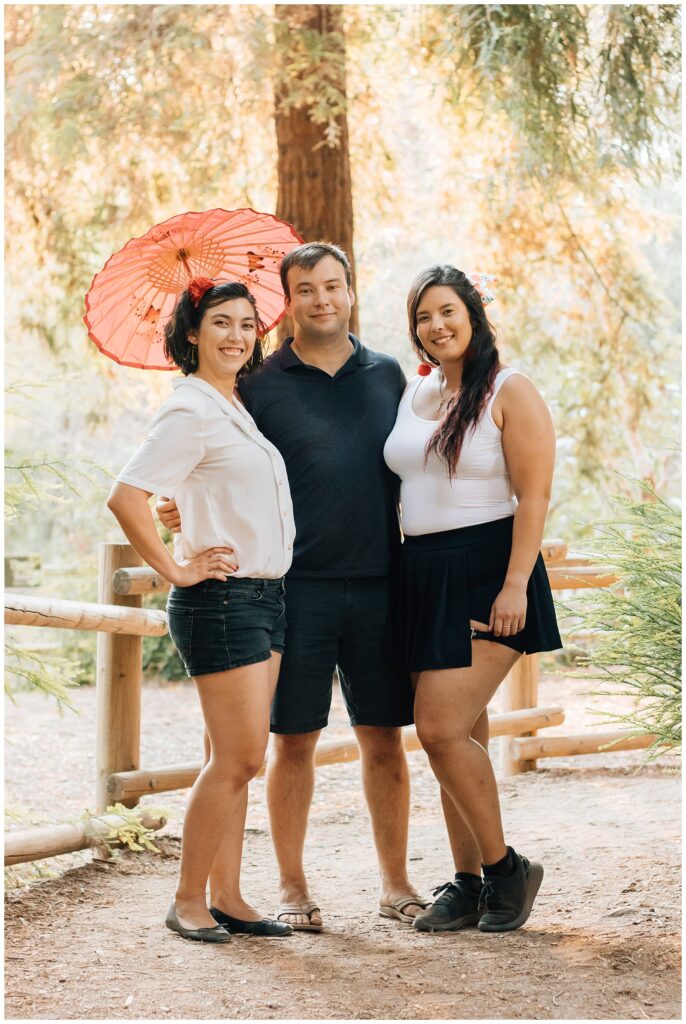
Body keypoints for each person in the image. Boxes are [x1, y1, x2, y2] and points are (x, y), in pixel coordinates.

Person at [158, 243, 427, 930]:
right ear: (287, 300)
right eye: (304, 289)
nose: (320, 300)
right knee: (290, 743)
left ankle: (396, 885)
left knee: (383, 739)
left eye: (332, 286)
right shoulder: (260, 381)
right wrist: (182, 508)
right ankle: (291, 889)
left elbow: (414, 469)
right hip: (291, 592)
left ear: (351, 292)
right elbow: (216, 462)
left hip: (378, 583)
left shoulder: (390, 375)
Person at [107, 278, 294, 942]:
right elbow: (127, 496)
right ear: (192, 332)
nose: (238, 335)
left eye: (247, 324)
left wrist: (185, 509)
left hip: (265, 596)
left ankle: (230, 897)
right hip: (221, 601)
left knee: (239, 756)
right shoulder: (189, 407)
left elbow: (209, 491)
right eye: (221, 322)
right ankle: (187, 899)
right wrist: (177, 568)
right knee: (239, 758)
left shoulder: (231, 406)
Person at [383, 264, 562, 933]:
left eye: (448, 311)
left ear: (473, 315)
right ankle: (468, 881)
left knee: (438, 726)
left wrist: (516, 582)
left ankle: (508, 869)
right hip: (422, 571)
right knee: (460, 732)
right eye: (424, 316)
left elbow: (534, 494)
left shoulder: (509, 390)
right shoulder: (419, 393)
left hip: (490, 570)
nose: (437, 325)